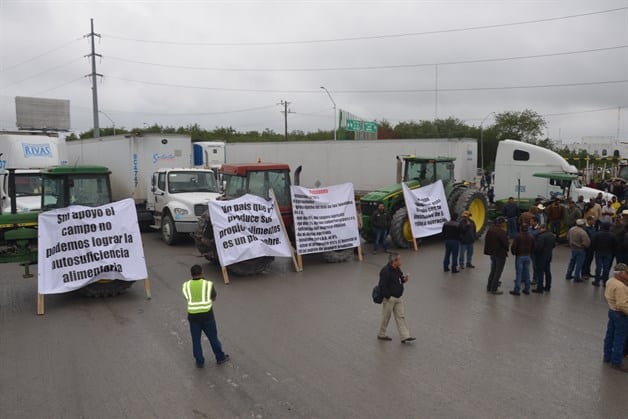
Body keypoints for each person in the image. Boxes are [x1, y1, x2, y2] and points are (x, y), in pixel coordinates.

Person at [182, 265, 229, 368]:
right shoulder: (208, 284)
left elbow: (187, 297)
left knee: (196, 340)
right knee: (213, 338)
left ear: (191, 274)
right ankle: (220, 357)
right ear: (202, 273)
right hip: (207, 316)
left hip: (193, 317)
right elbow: (213, 297)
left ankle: (199, 361)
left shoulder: (186, 285)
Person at [377, 253, 416, 343]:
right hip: (389, 299)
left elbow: (399, 279)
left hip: (398, 298)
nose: (401, 261)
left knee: (400, 317)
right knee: (386, 317)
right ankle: (381, 334)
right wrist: (388, 296)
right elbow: (382, 286)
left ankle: (405, 336)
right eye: (399, 259)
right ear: (394, 261)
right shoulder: (385, 271)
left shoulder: (397, 269)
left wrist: (404, 280)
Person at [602, 263, 628, 372]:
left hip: (612, 311)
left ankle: (607, 356)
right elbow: (622, 304)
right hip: (620, 314)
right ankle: (616, 362)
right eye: (626, 273)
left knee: (610, 335)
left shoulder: (610, 281)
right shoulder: (620, 286)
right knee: (619, 338)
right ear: (621, 273)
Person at [484, 216, 509, 295]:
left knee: (493, 271)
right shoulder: (501, 232)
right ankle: (494, 289)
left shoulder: (490, 230)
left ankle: (489, 286)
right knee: (498, 272)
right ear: (501, 223)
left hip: (493, 253)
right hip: (500, 254)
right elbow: (505, 244)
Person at [510, 224, 535, 295]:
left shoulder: (518, 237)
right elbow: (533, 247)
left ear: (520, 228)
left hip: (520, 256)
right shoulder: (531, 237)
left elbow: (514, 246)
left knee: (519, 274)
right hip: (527, 256)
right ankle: (527, 289)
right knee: (527, 273)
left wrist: (514, 253)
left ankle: (517, 290)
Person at [591, 222, 617, 287]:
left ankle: (597, 281)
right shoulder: (612, 235)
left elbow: (593, 243)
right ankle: (605, 282)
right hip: (608, 253)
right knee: (606, 268)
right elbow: (615, 245)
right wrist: (613, 251)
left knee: (598, 267)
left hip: (599, 252)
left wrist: (594, 250)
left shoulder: (597, 234)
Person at [532, 224, 556, 293]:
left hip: (541, 257)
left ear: (543, 228)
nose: (539, 230)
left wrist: (534, 251)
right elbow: (554, 245)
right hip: (548, 256)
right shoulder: (552, 235)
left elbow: (538, 247)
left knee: (540, 272)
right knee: (548, 271)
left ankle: (540, 288)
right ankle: (548, 286)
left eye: (540, 229)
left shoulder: (541, 236)